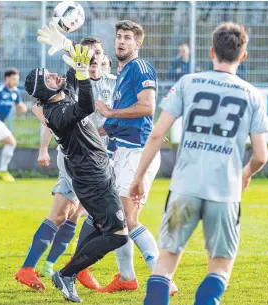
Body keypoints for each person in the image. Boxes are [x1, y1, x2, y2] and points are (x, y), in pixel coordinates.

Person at [129, 21, 268, 305]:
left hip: (185, 188)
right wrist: (245, 173)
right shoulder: (252, 94)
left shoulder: (188, 82)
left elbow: (157, 133)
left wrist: (138, 177)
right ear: (243, 55)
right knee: (219, 266)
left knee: (166, 262)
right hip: (225, 193)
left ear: (211, 51)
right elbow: (261, 156)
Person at [23, 44, 128, 303]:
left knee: (99, 225)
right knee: (118, 234)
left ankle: (71, 270)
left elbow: (79, 65)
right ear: (44, 91)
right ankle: (68, 273)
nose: (55, 76)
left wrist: (66, 43)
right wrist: (81, 75)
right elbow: (87, 105)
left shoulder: (61, 95)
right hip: (92, 179)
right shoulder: (56, 113)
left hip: (101, 172)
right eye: (48, 78)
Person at [95, 20, 177, 295]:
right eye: (118, 37)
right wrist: (91, 134)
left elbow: (147, 107)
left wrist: (109, 113)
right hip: (124, 151)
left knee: (128, 218)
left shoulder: (140, 67)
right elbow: (114, 122)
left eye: (127, 38)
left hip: (137, 152)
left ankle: (163, 278)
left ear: (137, 43)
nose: (121, 41)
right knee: (119, 218)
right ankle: (127, 277)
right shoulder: (123, 75)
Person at [0, 68, 27, 182]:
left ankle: (2, 171)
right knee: (11, 142)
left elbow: (20, 105)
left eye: (17, 80)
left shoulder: (15, 92)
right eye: (13, 79)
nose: (16, 82)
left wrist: (23, 108)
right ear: (7, 78)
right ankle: (2, 171)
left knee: (10, 143)